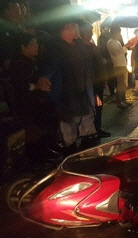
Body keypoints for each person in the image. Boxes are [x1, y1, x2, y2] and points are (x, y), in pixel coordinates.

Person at [41, 20, 97, 156]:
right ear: (67, 27)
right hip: (65, 94)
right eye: (76, 26)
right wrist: (44, 80)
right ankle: (70, 156)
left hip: (83, 91)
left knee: (87, 120)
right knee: (68, 126)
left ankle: (88, 154)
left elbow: (87, 67)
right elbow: (50, 68)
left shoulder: (78, 45)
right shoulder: (55, 47)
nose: (78, 29)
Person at [9, 32, 55, 162]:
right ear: (22, 47)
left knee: (42, 126)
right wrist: (36, 86)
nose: (36, 47)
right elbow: (19, 85)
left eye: (36, 44)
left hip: (38, 101)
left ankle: (44, 153)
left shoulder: (35, 61)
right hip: (26, 103)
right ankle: (35, 159)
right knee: (32, 131)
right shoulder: (18, 63)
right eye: (32, 44)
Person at [79, 22, 111, 138]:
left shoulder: (93, 46)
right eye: (87, 31)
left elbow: (100, 64)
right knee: (88, 108)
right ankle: (89, 132)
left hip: (98, 82)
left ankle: (97, 128)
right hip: (88, 84)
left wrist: (104, 78)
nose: (89, 34)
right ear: (81, 33)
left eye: (90, 31)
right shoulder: (79, 48)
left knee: (98, 105)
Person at [107, 26, 133, 108]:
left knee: (124, 83)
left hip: (122, 64)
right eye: (118, 32)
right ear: (114, 33)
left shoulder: (116, 41)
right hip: (118, 65)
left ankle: (123, 99)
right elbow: (118, 53)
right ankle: (119, 101)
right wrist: (126, 46)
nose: (120, 34)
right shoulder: (111, 42)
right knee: (121, 84)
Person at [97, 27, 116, 96]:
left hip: (109, 58)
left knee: (111, 75)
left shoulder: (102, 37)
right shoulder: (108, 36)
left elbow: (100, 48)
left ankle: (112, 91)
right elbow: (100, 48)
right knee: (112, 74)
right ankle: (113, 91)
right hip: (110, 57)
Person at [126, 28, 138, 93]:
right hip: (134, 57)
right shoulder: (132, 39)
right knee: (136, 71)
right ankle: (136, 85)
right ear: (135, 33)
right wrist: (134, 46)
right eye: (137, 32)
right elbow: (127, 47)